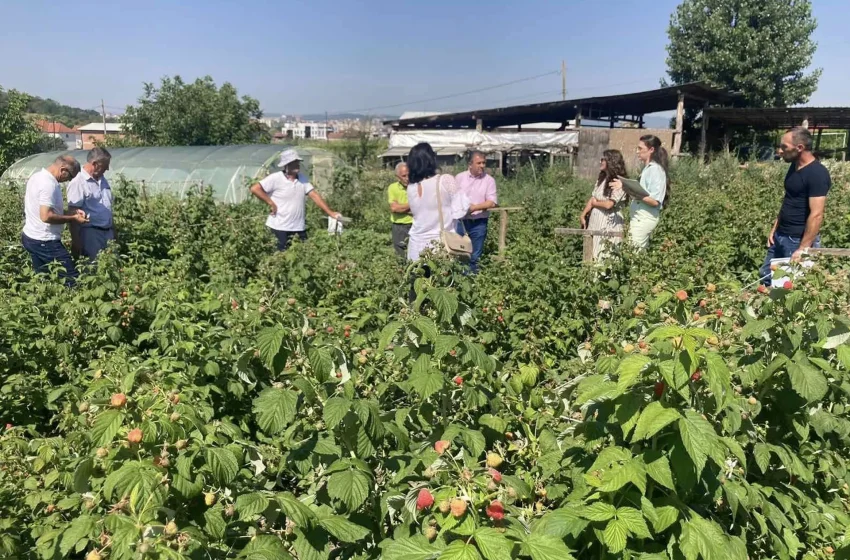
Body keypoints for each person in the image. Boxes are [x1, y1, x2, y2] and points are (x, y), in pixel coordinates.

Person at [758, 127, 830, 284]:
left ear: (800, 148)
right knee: (766, 277)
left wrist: (803, 249)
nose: (780, 151)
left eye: (784, 147)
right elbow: (789, 198)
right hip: (781, 235)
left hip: (797, 240)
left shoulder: (817, 174)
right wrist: (775, 228)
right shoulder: (795, 166)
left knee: (788, 288)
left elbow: (816, 214)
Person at [249, 149, 342, 251]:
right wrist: (271, 203)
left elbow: (314, 195)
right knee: (280, 258)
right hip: (279, 227)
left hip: (298, 227)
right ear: (286, 165)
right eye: (294, 163)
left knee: (303, 255)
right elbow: (255, 188)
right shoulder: (276, 178)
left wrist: (330, 213)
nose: (297, 165)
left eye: (297, 162)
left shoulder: (302, 179)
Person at [21, 155, 87, 285]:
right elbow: (46, 216)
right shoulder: (48, 184)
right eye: (70, 176)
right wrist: (73, 218)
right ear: (63, 169)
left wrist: (71, 212)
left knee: (43, 280)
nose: (68, 180)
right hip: (45, 240)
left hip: (31, 236)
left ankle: (43, 302)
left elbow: (44, 210)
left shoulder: (37, 177)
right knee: (72, 280)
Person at [406, 143, 472, 262]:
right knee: (441, 279)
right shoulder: (445, 180)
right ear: (431, 159)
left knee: (419, 279)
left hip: (415, 247)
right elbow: (462, 210)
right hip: (440, 245)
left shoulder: (411, 187)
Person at [610, 134, 669, 249]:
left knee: (633, 253)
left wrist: (630, 190)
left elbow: (655, 201)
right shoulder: (647, 169)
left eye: (640, 148)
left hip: (644, 218)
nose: (637, 151)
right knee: (637, 252)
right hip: (639, 217)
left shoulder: (655, 170)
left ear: (651, 150)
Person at [579, 149, 628, 260]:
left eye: (603, 159)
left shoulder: (618, 182)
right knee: (592, 254)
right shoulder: (602, 178)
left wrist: (595, 203)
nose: (600, 162)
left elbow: (609, 204)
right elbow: (593, 197)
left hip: (609, 222)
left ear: (611, 161)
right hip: (595, 221)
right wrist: (583, 214)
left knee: (605, 253)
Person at [67, 147, 114, 260]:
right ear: (95, 164)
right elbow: (73, 214)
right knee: (93, 269)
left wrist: (114, 232)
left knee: (111, 267)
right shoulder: (78, 182)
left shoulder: (103, 180)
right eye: (105, 165)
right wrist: (76, 241)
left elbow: (107, 208)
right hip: (91, 234)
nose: (107, 169)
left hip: (108, 232)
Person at [455, 151, 498, 273]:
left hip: (479, 222)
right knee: (459, 253)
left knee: (475, 256)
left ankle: (472, 283)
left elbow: (492, 202)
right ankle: (459, 283)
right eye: (478, 163)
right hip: (461, 222)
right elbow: (453, 197)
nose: (482, 165)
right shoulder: (459, 178)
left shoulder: (489, 180)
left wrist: (474, 208)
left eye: (484, 163)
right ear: (470, 164)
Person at [387, 162, 412, 259]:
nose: (407, 178)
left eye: (409, 175)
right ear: (397, 177)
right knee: (402, 255)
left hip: (415, 225)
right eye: (404, 176)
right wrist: (413, 205)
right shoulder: (393, 188)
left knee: (418, 254)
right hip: (400, 226)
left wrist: (402, 208)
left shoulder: (416, 186)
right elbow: (394, 208)